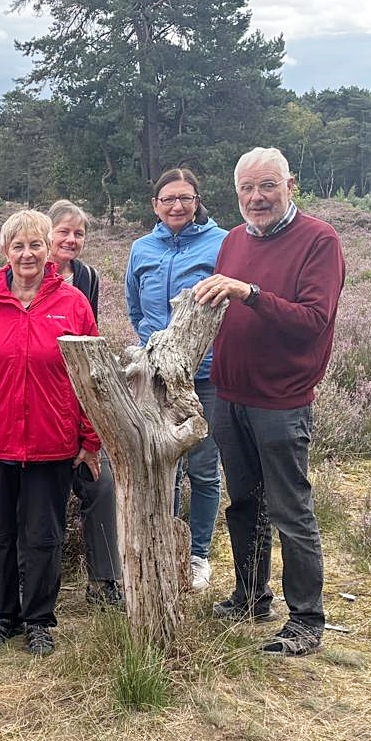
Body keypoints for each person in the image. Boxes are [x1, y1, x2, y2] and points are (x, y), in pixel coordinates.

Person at [193, 147, 344, 656]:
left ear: (290, 185)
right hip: (229, 396)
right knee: (244, 505)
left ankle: (306, 620)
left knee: (290, 510)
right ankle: (251, 595)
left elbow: (313, 321)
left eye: (267, 186)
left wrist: (250, 292)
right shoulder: (233, 239)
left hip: (281, 401)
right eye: (246, 189)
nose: (256, 198)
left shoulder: (319, 241)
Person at [0, 210, 101, 657]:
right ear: (5, 251)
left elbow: (92, 377)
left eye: (36, 244)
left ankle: (38, 619)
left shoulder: (73, 304)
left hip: (52, 444)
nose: (28, 253)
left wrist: (91, 439)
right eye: (19, 245)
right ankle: (3, 616)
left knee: (43, 535)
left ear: (48, 249)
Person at [126, 171, 227, 592]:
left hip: (204, 377)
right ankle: (162, 546)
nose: (176, 206)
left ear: (197, 200)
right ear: (155, 204)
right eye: (168, 199)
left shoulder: (221, 243)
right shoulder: (141, 248)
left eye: (185, 198)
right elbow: (135, 309)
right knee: (161, 464)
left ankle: (197, 554)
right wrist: (155, 352)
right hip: (157, 376)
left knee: (203, 470)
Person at [47, 200, 123, 609]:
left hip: (81, 396)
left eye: (78, 233)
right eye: (64, 232)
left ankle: (105, 581)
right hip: (43, 397)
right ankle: (42, 583)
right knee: (46, 493)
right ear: (47, 234)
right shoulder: (29, 273)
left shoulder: (88, 278)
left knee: (101, 484)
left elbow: (89, 341)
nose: (71, 240)